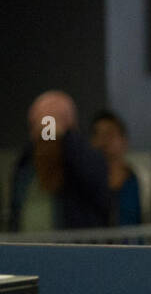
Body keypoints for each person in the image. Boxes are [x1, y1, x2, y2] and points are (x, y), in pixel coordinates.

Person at [8, 90, 109, 231]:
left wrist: (66, 135)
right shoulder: (25, 167)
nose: (47, 144)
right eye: (42, 138)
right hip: (26, 249)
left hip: (68, 250)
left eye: (53, 137)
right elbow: (15, 211)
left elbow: (93, 179)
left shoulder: (81, 163)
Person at [89, 110, 151, 226]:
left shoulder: (143, 180)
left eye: (110, 134)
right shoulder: (85, 181)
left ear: (124, 140)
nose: (103, 141)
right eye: (97, 134)